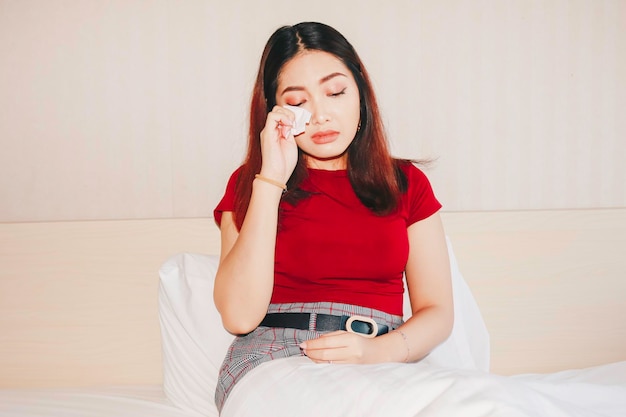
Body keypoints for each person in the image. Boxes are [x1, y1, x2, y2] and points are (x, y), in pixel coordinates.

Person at [212, 21, 453, 412]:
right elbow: (238, 316)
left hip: (384, 358)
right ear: (274, 111)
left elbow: (437, 311)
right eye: (297, 101)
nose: (321, 114)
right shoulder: (251, 184)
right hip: (277, 358)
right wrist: (271, 177)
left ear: (360, 94)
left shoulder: (407, 183)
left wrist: (377, 352)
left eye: (335, 92)